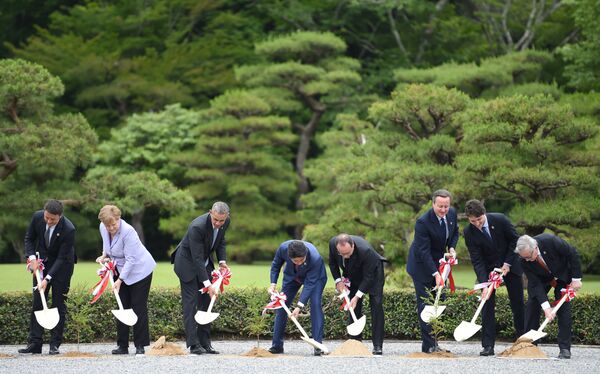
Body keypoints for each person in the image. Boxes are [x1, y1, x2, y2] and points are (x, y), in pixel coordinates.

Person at [463, 199, 524, 356]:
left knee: (517, 304)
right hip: (489, 271)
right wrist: (484, 283)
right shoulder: (468, 232)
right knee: (487, 305)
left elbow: (515, 241)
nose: (476, 223)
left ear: (484, 213)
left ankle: (523, 342)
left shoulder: (500, 219)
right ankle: (488, 346)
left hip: (510, 266)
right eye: (472, 221)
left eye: (479, 219)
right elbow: (477, 259)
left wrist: (508, 263)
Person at [95, 205, 156, 355]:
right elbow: (107, 245)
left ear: (119, 218)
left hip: (139, 270)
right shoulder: (103, 227)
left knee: (138, 307)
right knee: (122, 305)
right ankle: (122, 346)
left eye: (113, 224)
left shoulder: (128, 231)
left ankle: (140, 346)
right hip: (119, 268)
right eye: (107, 225)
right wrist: (104, 255)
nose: (110, 228)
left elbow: (131, 259)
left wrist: (120, 280)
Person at [171, 201, 230, 355]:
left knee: (207, 302)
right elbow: (196, 258)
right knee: (191, 303)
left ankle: (205, 343)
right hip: (186, 264)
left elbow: (221, 241)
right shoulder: (197, 226)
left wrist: (222, 262)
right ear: (210, 212)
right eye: (215, 220)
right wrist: (207, 284)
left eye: (221, 221)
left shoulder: (225, 222)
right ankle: (193, 344)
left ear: (226, 217)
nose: (218, 223)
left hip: (204, 262)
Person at [19, 199, 76, 355]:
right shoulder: (37, 217)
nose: (49, 221)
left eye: (53, 219)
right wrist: (32, 259)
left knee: (58, 303)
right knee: (37, 302)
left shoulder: (69, 229)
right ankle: (35, 343)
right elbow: (29, 238)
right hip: (41, 263)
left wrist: (47, 279)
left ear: (60, 216)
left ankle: (54, 344)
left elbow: (61, 257)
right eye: (47, 217)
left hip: (62, 266)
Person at [406, 189, 458, 353]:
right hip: (422, 266)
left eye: (446, 206)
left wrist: (451, 247)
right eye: (440, 206)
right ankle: (428, 346)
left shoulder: (451, 214)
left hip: (440, 262)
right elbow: (423, 251)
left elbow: (455, 233)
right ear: (433, 204)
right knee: (426, 303)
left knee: (439, 301)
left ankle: (435, 342)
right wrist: (435, 274)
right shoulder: (423, 222)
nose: (443, 210)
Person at [515, 234, 582, 359]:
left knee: (564, 308)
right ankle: (530, 345)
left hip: (562, 274)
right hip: (541, 279)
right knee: (533, 303)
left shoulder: (550, 241)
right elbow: (535, 283)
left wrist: (576, 279)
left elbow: (572, 253)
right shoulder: (523, 259)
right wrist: (546, 308)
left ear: (535, 248)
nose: (528, 260)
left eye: (529, 257)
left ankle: (564, 348)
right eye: (524, 258)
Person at [328, 234, 386, 355]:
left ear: (353, 246)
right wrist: (338, 281)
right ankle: (355, 341)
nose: (345, 256)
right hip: (352, 274)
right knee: (353, 306)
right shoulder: (333, 244)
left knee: (376, 304)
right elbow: (332, 263)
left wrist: (358, 295)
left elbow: (369, 277)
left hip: (373, 275)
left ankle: (377, 345)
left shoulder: (366, 251)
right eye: (342, 254)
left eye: (347, 253)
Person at [268, 240, 327, 356]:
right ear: (289, 257)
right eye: (296, 261)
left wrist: (299, 306)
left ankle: (317, 345)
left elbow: (309, 285)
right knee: (281, 306)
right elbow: (275, 265)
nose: (299, 263)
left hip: (315, 279)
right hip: (292, 277)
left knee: (315, 304)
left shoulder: (315, 258)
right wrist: (273, 284)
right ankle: (277, 346)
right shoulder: (283, 248)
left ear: (305, 254)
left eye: (302, 260)